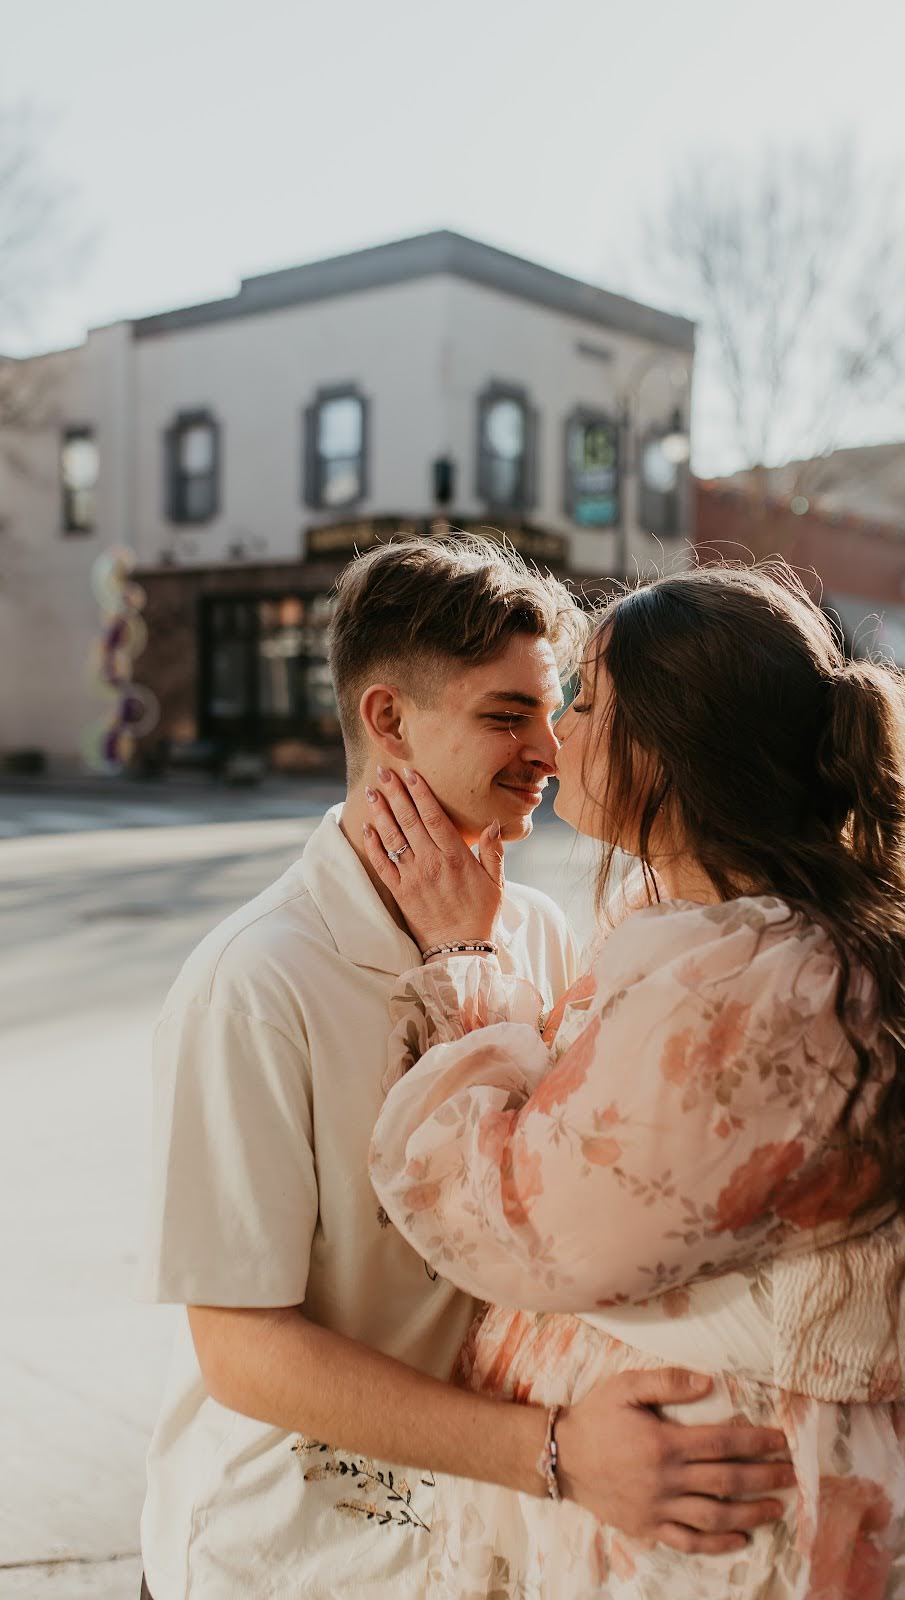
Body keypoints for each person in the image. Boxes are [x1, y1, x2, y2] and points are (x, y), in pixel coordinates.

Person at [138, 537, 793, 1600]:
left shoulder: (530, 934)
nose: (550, 748)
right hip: (291, 1558)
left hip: (482, 1541)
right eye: (505, 715)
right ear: (387, 718)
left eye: (555, 710)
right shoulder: (255, 981)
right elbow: (242, 1351)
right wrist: (555, 1451)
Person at [365, 562, 905, 1598]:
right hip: (743, 1501)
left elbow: (517, 1222)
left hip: (742, 1526)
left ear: (677, 751)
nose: (555, 739)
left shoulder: (753, 987)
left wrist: (464, 960)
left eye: (585, 702)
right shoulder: (732, 937)